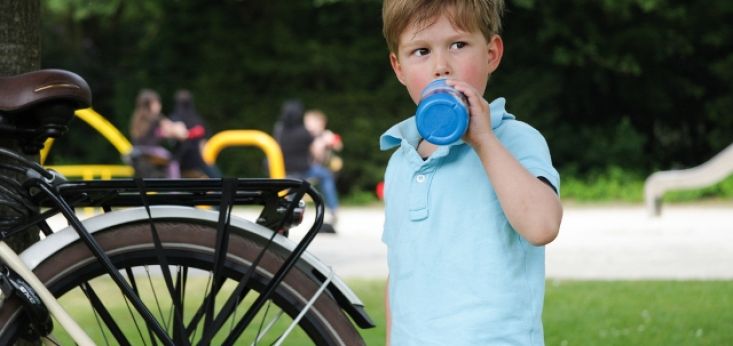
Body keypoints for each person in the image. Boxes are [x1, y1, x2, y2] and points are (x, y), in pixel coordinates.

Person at [379, 1, 563, 345]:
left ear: (491, 53)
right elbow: (399, 273)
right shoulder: (400, 161)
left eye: (458, 45)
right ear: (398, 67)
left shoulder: (514, 140)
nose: (441, 67)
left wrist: (483, 140)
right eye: (421, 51)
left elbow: (543, 226)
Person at [274, 100, 340, 230]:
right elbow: (316, 152)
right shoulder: (304, 132)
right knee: (326, 175)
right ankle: (333, 209)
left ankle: (284, 217)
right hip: (304, 170)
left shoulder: (279, 129)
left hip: (284, 170)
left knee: (291, 194)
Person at [129, 89, 188, 178]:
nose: (159, 106)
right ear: (151, 104)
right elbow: (177, 131)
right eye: (157, 103)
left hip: (137, 152)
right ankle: (174, 189)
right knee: (173, 163)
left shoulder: (137, 118)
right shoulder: (156, 118)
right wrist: (181, 127)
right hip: (151, 152)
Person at [169, 89, 222, 178]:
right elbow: (205, 137)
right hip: (197, 160)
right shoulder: (196, 118)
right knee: (217, 179)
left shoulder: (174, 118)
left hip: (183, 161)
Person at [304, 109, 344, 174]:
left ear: (321, 123)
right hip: (307, 167)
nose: (307, 124)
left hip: (323, 166)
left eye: (309, 121)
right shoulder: (304, 135)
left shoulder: (326, 134)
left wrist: (328, 143)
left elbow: (339, 146)